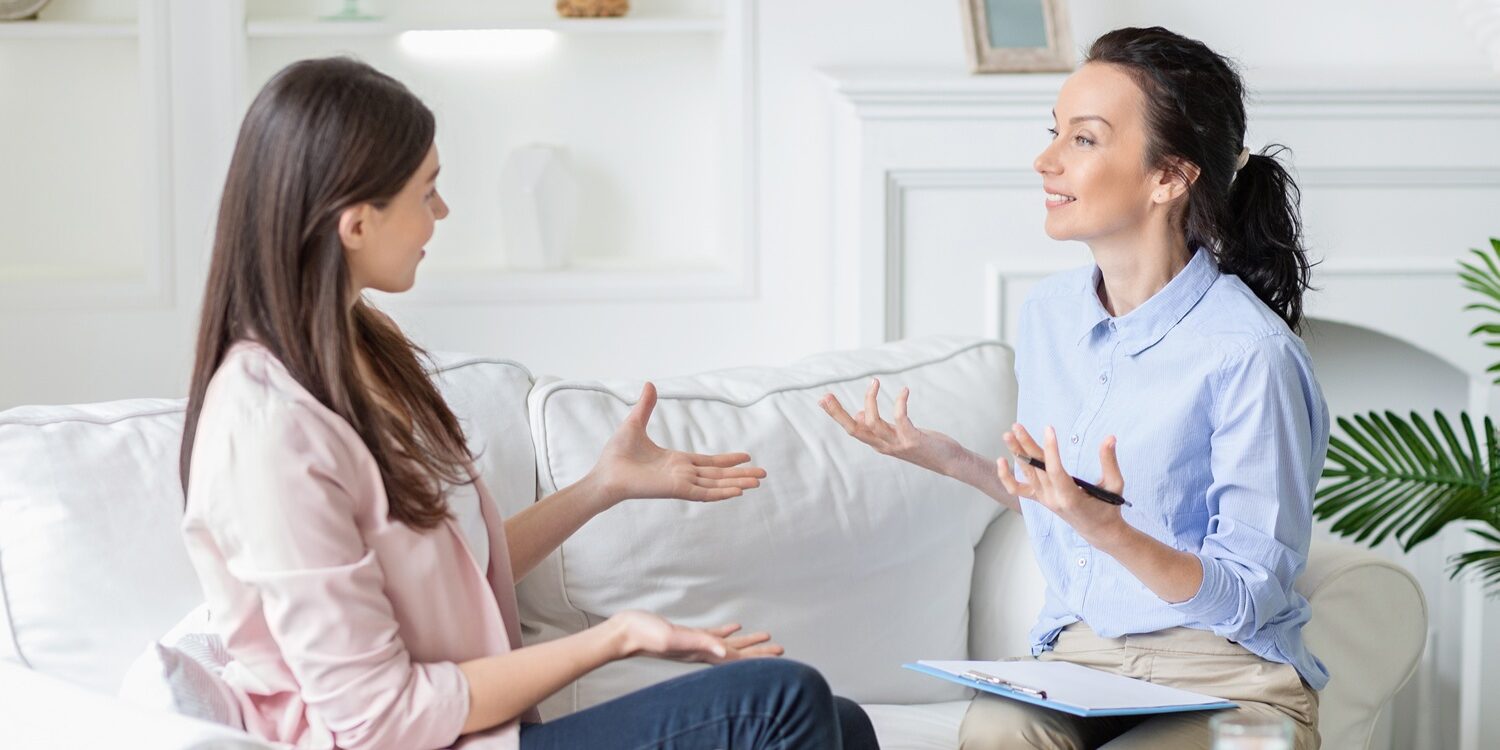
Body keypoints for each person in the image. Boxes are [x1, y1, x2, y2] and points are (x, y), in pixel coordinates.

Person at [179, 56, 879, 750]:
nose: (441, 213)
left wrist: (603, 486)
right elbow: (378, 720)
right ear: (356, 224)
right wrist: (615, 638)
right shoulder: (268, 430)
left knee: (842, 723)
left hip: (477, 734)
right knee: (781, 702)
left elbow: (455, 577)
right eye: (428, 192)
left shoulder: (363, 349)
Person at [821, 26, 1326, 750]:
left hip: (1226, 675)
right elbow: (1067, 506)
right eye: (1054, 132)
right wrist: (949, 460)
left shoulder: (1252, 354)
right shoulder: (1050, 315)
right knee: (995, 735)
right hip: (1083, 657)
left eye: (1083, 139)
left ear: (1169, 177)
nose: (1046, 160)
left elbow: (1249, 596)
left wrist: (1110, 531)